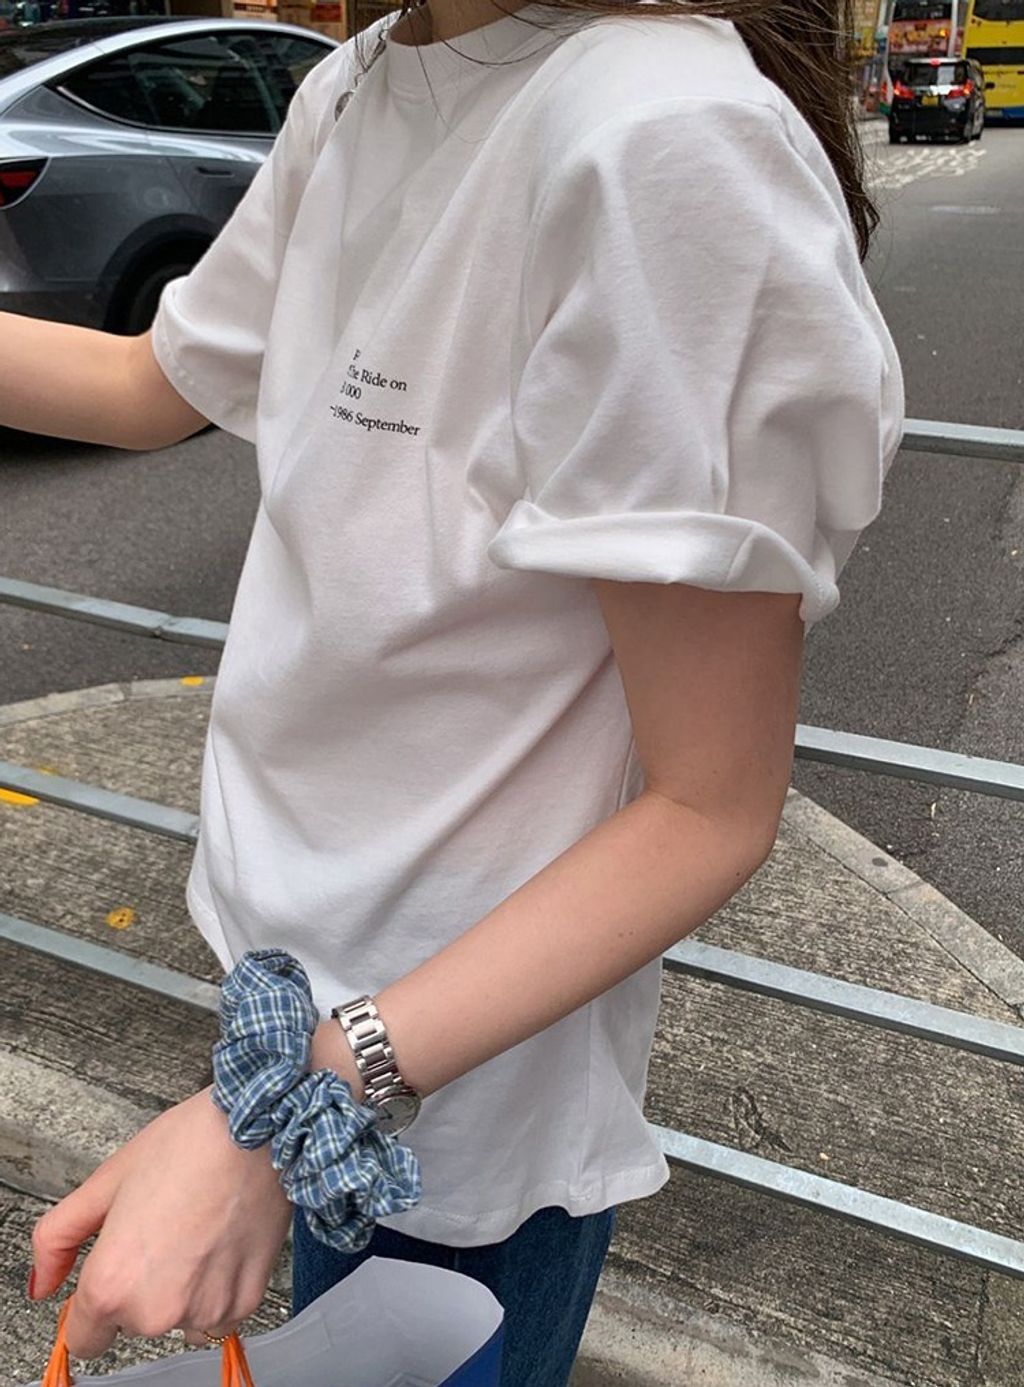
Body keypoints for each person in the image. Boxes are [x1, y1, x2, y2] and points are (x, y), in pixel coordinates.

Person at [5, 0, 904, 1381]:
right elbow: (147, 384)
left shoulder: (662, 132)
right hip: (290, 1000)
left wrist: (280, 1114)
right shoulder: (370, 74)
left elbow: (710, 808)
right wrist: (272, 1097)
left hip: (457, 1070)